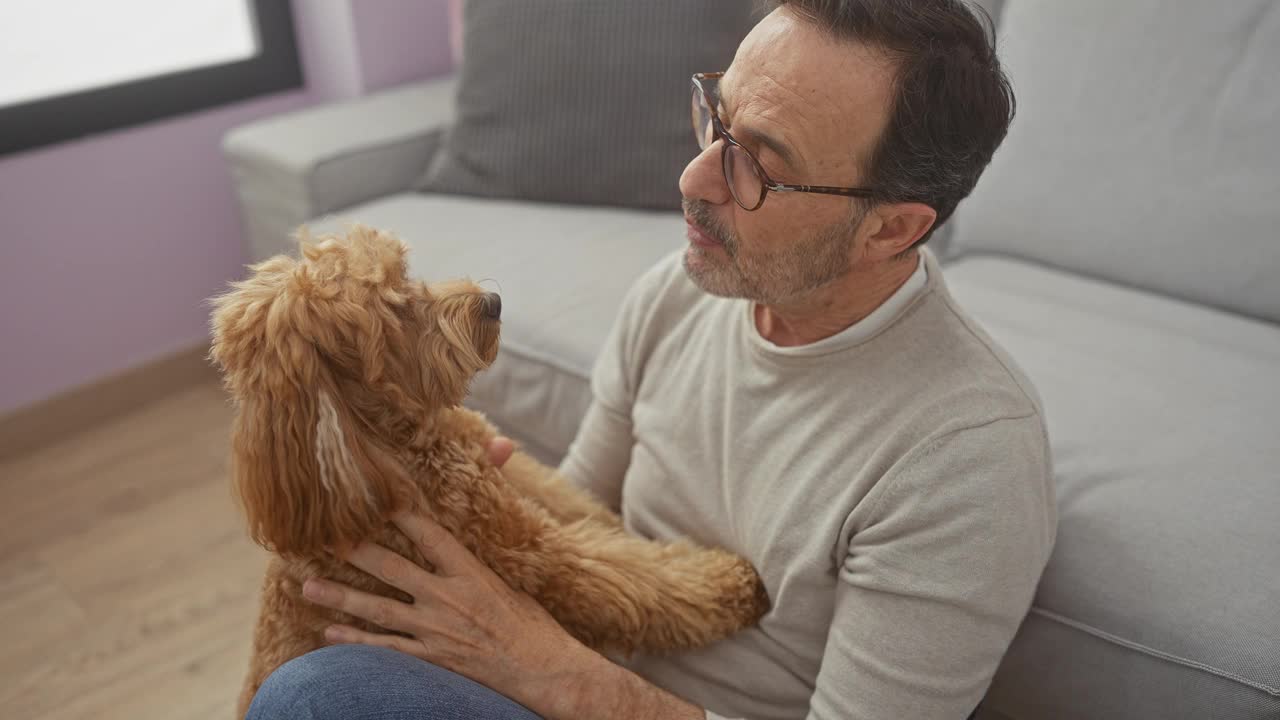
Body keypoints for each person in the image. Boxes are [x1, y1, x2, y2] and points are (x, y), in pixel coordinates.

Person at [247, 1, 1056, 718]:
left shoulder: (963, 460)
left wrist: (561, 675)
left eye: (761, 166)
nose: (693, 177)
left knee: (317, 696)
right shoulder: (682, 291)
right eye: (717, 117)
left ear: (890, 229)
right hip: (568, 671)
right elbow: (582, 519)